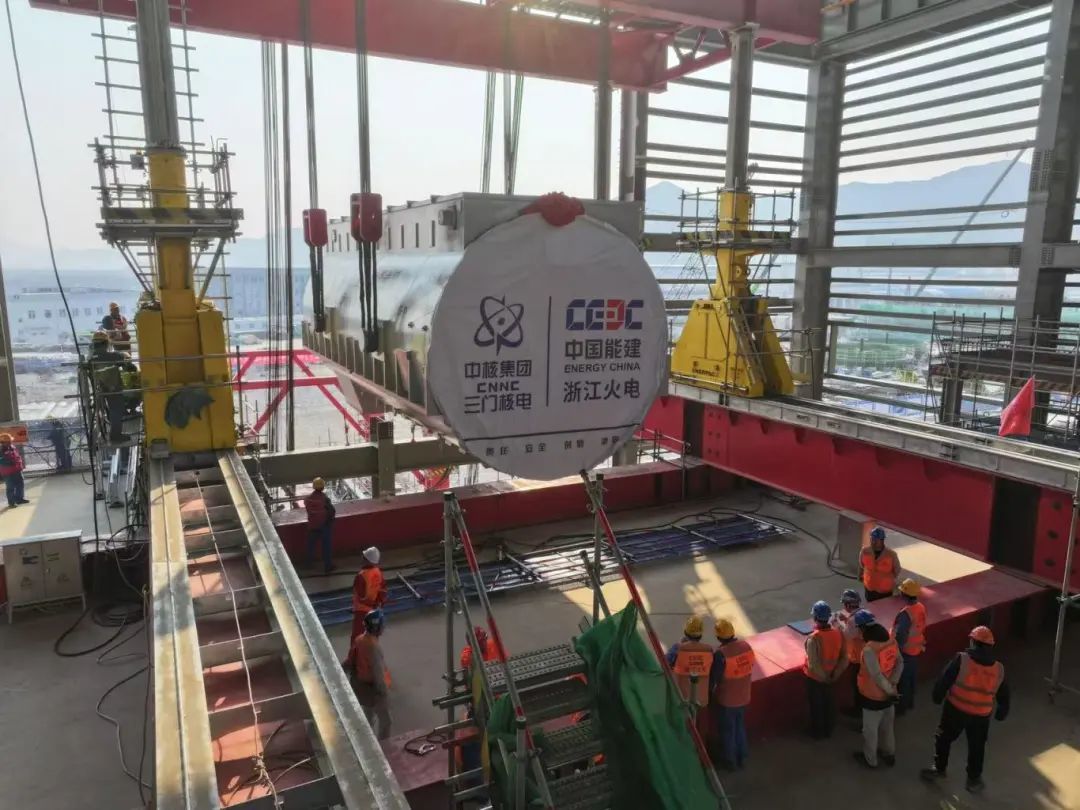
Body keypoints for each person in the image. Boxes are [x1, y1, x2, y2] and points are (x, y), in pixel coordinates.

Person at [920, 626, 1010, 793]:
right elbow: (1004, 693)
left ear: (973, 642)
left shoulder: (962, 660)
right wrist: (1002, 711)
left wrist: (937, 696)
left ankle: (939, 769)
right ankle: (974, 780)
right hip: (981, 716)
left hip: (956, 710)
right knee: (977, 747)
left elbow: (945, 679)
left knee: (943, 739)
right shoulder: (998, 669)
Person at [852, 611, 902, 769]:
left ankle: (870, 760)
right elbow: (900, 663)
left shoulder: (869, 650)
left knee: (870, 731)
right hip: (890, 695)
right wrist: (893, 685)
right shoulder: (891, 640)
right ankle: (889, 753)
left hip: (873, 696)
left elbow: (876, 676)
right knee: (888, 727)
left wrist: (889, 690)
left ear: (862, 628)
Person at [708, 618, 755, 770]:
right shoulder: (746, 646)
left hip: (727, 701)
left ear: (718, 636)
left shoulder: (721, 655)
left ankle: (730, 762)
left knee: (728, 731)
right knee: (740, 727)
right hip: (744, 696)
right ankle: (742, 757)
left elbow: (714, 679)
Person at [344, 608, 392, 740]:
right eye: (382, 624)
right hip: (373, 690)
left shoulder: (359, 639)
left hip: (360, 685)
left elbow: (350, 661)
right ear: (377, 627)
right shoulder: (373, 646)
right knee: (386, 721)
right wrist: (384, 692)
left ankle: (366, 740)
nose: (383, 627)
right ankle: (384, 745)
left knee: (368, 717)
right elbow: (378, 673)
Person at [803, 600, 847, 739]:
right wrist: (835, 674)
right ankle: (829, 730)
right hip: (832, 676)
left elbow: (813, 664)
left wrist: (824, 678)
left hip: (816, 679)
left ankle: (818, 733)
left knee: (817, 707)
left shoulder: (814, 639)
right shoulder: (838, 634)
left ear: (815, 618)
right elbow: (844, 658)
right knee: (829, 704)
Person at [892, 578, 927, 716]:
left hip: (905, 651)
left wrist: (896, 652)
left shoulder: (906, 614)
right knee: (911, 677)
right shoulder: (920, 607)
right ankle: (910, 702)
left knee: (903, 681)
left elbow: (901, 635)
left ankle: (901, 708)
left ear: (904, 594)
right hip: (915, 649)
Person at [666, 615, 714, 710]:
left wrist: (681, 644)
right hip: (701, 698)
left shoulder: (678, 648)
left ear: (685, 632)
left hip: (681, 698)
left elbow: (665, 661)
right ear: (700, 634)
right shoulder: (708, 650)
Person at [89, 330, 129, 443]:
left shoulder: (92, 358)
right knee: (116, 410)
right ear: (106, 343)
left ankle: (112, 433)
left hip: (100, 388)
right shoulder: (111, 356)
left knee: (110, 410)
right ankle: (115, 436)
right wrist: (124, 356)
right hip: (113, 387)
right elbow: (123, 358)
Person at [832, 588, 865, 715]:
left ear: (848, 604)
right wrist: (846, 620)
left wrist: (837, 623)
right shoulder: (863, 613)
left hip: (858, 658)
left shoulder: (853, 620)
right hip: (866, 655)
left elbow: (846, 635)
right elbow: (856, 630)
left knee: (858, 686)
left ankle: (858, 711)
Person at [351, 546, 388, 643]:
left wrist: (370, 604)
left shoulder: (361, 576)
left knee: (357, 639)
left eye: (364, 557)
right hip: (375, 612)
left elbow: (361, 596)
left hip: (362, 611)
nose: (362, 558)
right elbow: (383, 591)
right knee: (372, 638)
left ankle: (355, 653)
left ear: (367, 560)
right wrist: (378, 604)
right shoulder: (378, 573)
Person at [859, 527, 901, 603]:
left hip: (884, 591)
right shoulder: (865, 551)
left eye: (875, 540)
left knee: (884, 608)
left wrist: (885, 579)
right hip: (869, 587)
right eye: (872, 539)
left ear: (882, 540)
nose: (873, 542)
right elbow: (862, 565)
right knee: (870, 606)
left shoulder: (891, 554)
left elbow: (897, 570)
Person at [304, 477, 336, 574]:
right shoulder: (325, 499)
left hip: (312, 525)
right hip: (324, 525)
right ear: (322, 487)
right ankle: (328, 566)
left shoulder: (308, 499)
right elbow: (332, 511)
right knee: (326, 546)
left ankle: (308, 564)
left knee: (311, 545)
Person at [0, 433, 28, 508]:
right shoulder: (1, 450)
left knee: (20, 484)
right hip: (7, 471)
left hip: (17, 469)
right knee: (10, 487)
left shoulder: (12, 447)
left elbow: (17, 456)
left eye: (10, 441)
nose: (10, 442)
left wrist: (20, 464)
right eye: (8, 441)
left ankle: (19, 499)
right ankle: (11, 502)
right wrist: (9, 462)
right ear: (3, 442)